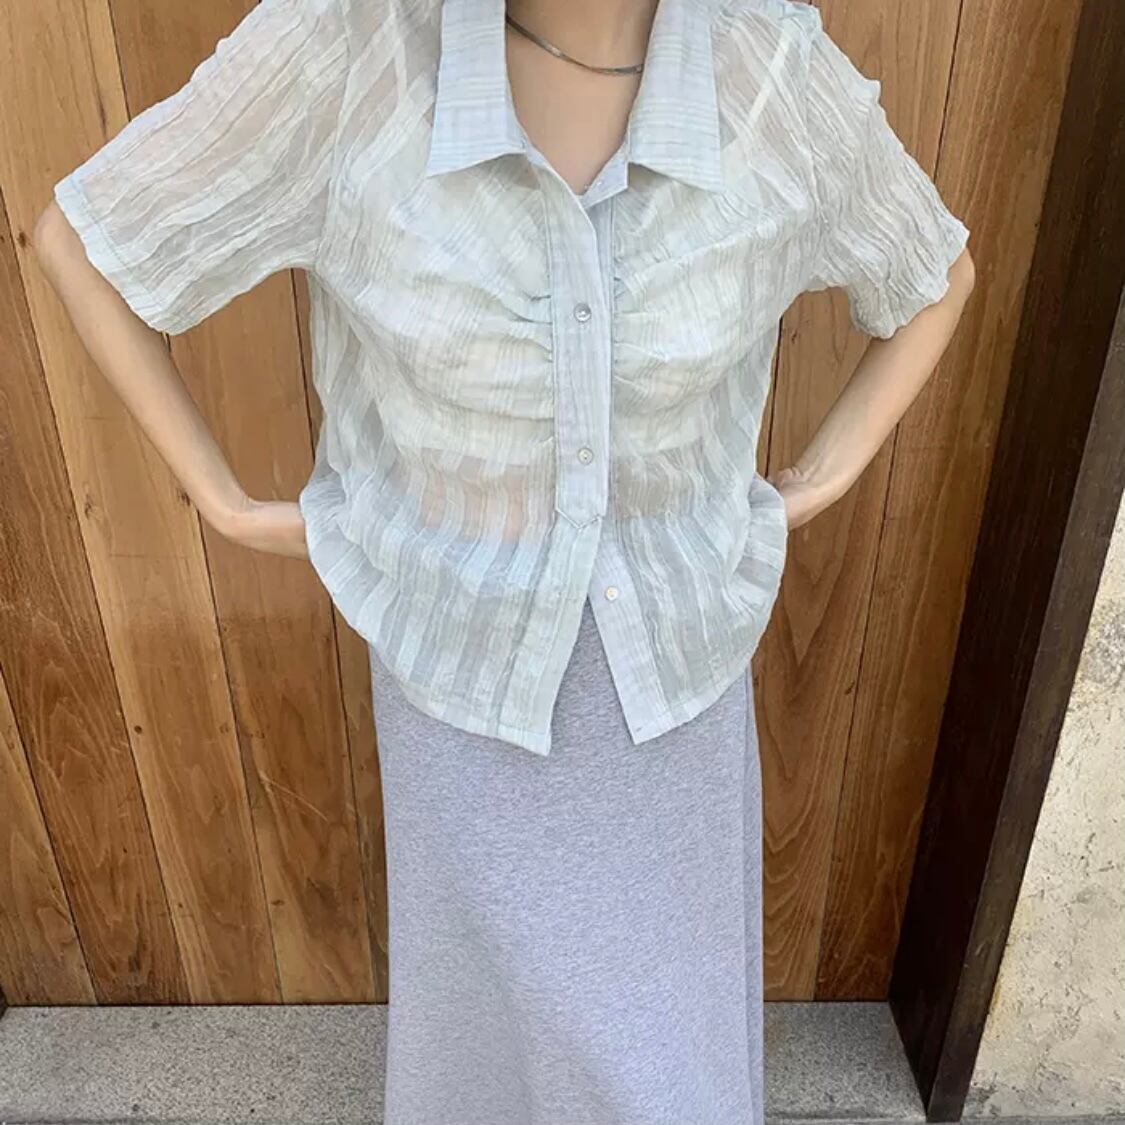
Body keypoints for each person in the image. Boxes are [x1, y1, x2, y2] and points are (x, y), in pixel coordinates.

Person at [32, 0, 975, 1120]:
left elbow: (935, 277)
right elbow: (85, 241)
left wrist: (814, 478)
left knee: (666, 1067)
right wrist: (224, 502)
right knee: (485, 1055)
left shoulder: (768, 73)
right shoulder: (354, 51)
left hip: (676, 684)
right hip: (459, 685)